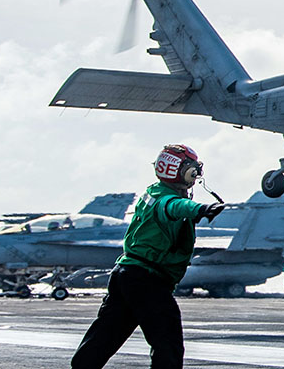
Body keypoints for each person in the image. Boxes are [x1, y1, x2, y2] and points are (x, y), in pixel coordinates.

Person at [72, 144, 225, 369]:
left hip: (126, 273)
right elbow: (172, 207)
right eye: (191, 166)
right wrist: (199, 210)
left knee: (104, 336)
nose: (196, 172)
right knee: (167, 341)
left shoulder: (153, 192)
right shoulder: (166, 199)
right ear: (178, 169)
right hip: (148, 278)